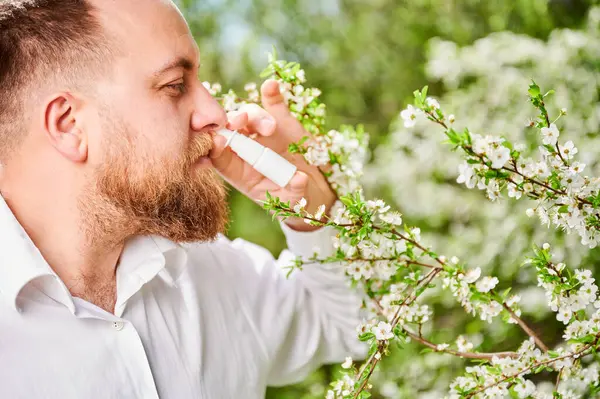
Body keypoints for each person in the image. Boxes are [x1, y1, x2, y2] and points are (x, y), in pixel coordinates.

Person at [0, 0, 365, 398]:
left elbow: (346, 322)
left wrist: (312, 211)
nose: (216, 113)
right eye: (175, 85)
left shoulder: (207, 273)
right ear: (69, 125)